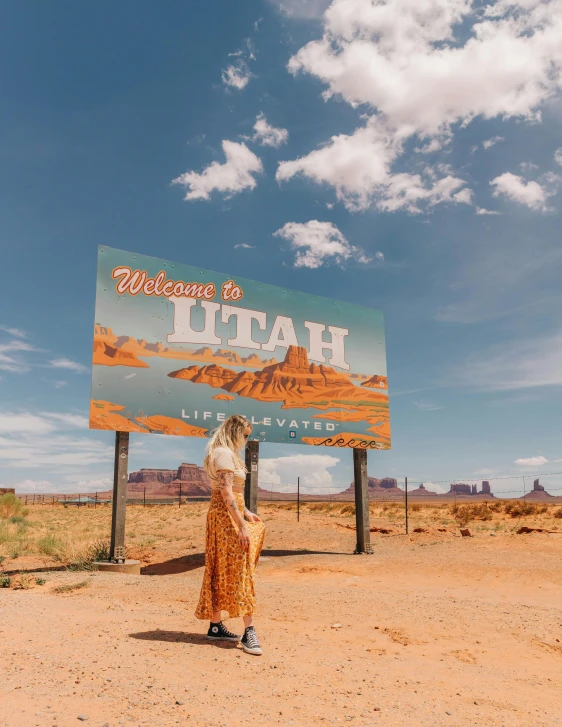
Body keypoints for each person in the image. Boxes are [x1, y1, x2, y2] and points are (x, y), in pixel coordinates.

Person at [195, 414, 266, 655]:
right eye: (245, 435)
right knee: (241, 568)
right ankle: (249, 632)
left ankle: (215, 625)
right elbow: (225, 492)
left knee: (220, 567)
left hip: (223, 515)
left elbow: (230, 493)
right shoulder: (223, 453)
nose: (247, 440)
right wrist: (242, 526)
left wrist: (246, 512)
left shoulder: (222, 452)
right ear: (235, 431)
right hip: (225, 519)